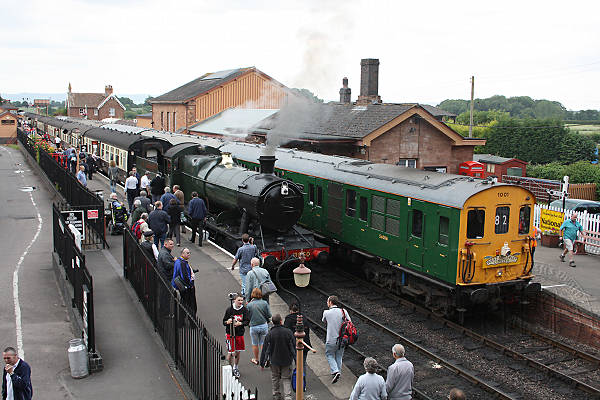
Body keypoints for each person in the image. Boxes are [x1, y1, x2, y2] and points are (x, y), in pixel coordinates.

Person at [259, 314, 296, 400]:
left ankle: (276, 394)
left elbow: (266, 350)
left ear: (273, 322)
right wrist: (296, 359)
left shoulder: (270, 334)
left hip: (274, 360)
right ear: (281, 321)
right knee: (286, 378)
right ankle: (288, 396)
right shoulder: (288, 332)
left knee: (275, 378)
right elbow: (293, 347)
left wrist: (262, 363)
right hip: (287, 360)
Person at [322, 295, 349, 384]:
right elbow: (349, 322)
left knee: (329, 354)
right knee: (339, 355)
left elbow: (324, 321)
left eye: (327, 302)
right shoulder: (343, 311)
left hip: (331, 339)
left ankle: (335, 371)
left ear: (330, 302)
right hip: (342, 339)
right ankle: (338, 373)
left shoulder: (326, 312)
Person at [223, 294, 250, 378]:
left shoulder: (244, 310)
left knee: (238, 352)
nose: (241, 302)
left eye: (242, 300)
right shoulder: (229, 310)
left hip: (239, 334)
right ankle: (228, 367)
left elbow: (247, 321)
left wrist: (240, 323)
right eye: (239, 300)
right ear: (234, 300)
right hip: (230, 333)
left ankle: (235, 367)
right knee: (230, 352)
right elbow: (224, 322)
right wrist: (228, 322)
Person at [246, 288, 272, 366]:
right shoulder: (264, 303)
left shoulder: (249, 305)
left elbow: (247, 316)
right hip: (263, 325)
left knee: (255, 343)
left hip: (253, 326)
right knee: (263, 343)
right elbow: (269, 315)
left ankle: (256, 359)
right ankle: (265, 359)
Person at [284, 302, 311, 367]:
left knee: (293, 363)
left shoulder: (288, 319)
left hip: (294, 344)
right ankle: (302, 376)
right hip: (305, 343)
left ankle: (296, 376)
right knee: (302, 364)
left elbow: (286, 332)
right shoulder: (303, 317)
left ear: (290, 310)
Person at [172, 248, 197, 315]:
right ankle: (190, 319)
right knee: (191, 304)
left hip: (181, 286)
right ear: (182, 254)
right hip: (187, 287)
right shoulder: (183, 263)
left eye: (189, 253)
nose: (189, 254)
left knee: (184, 302)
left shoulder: (178, 261)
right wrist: (190, 285)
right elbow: (185, 277)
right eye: (187, 253)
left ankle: (183, 318)